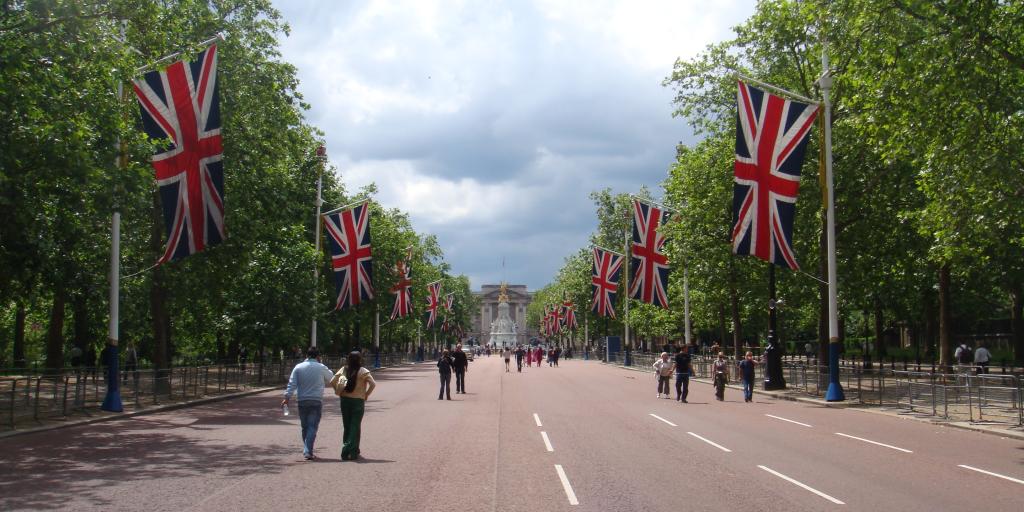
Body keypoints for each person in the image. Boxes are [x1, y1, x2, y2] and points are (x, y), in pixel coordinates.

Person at [282, 346, 335, 460]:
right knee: (312, 426)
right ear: (318, 356)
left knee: (304, 426)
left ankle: (308, 449)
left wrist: (287, 397)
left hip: (302, 400)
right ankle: (307, 450)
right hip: (316, 400)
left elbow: (292, 384)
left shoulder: (298, 367)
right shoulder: (321, 367)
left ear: (306, 355)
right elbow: (332, 378)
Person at [332, 351, 376, 461]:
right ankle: (347, 449)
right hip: (358, 401)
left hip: (345, 400)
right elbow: (373, 384)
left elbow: (333, 381)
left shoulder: (344, 369)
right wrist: (366, 394)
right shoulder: (363, 371)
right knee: (355, 426)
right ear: (360, 359)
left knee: (347, 425)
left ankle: (353, 450)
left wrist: (338, 391)